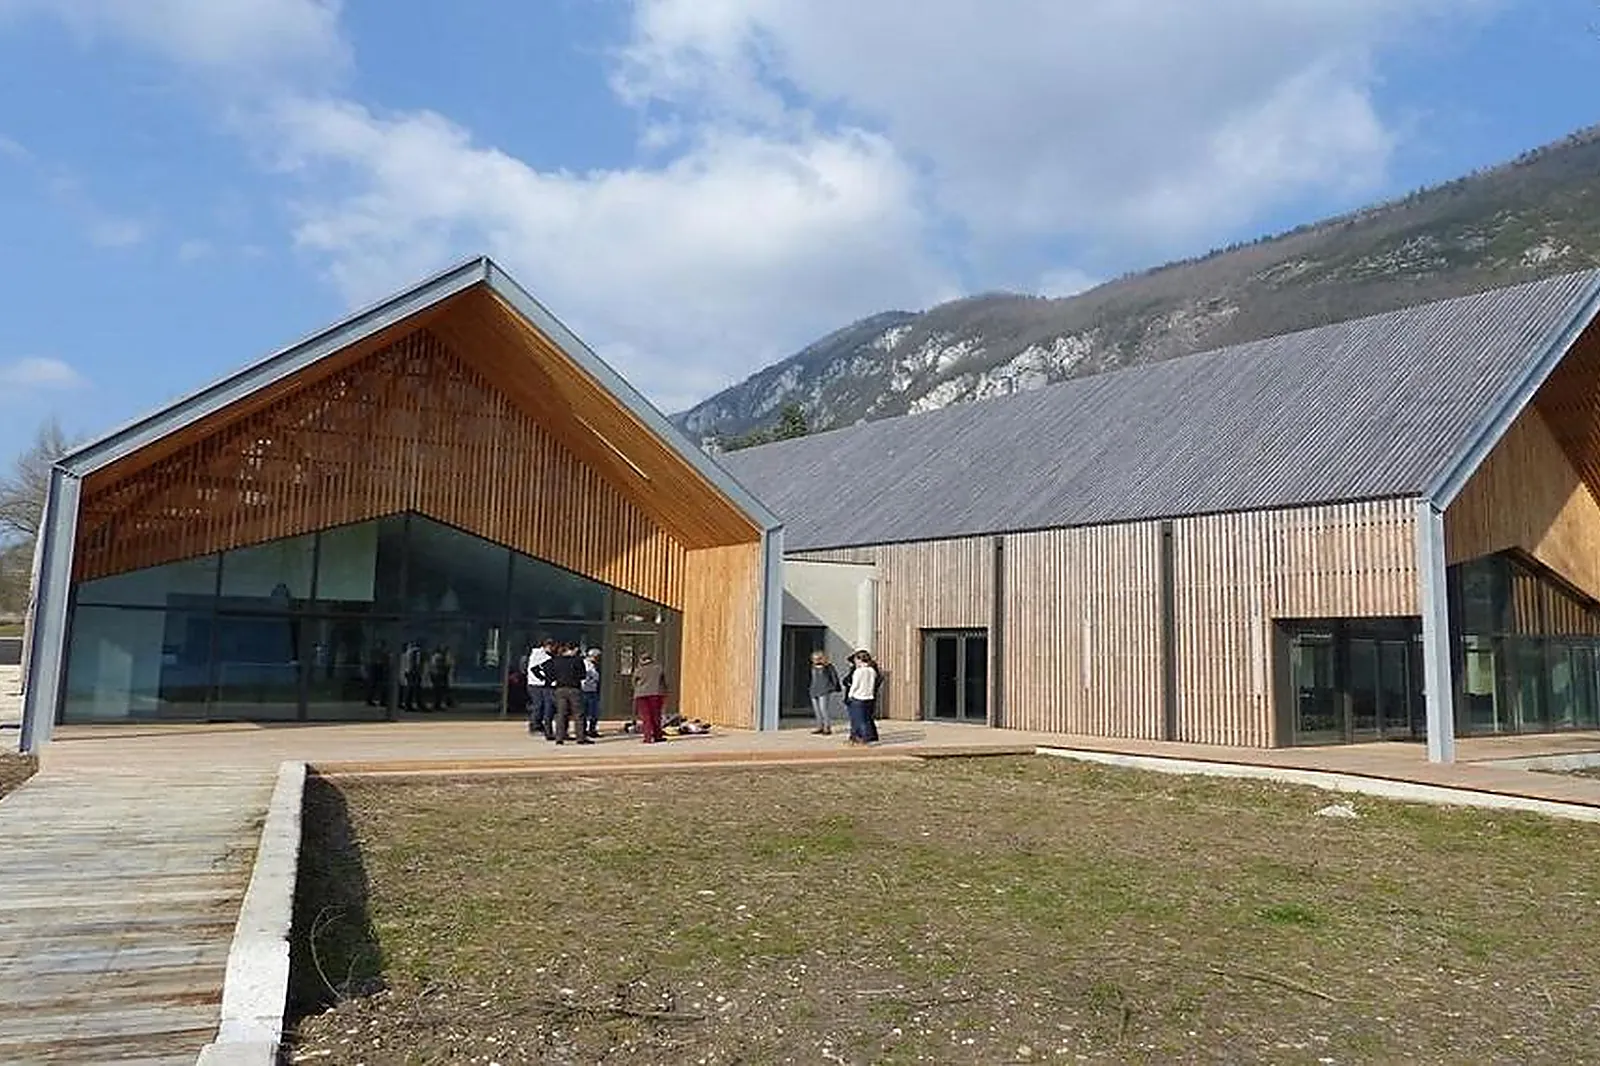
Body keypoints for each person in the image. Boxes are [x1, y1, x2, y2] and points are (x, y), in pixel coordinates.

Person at [543, 642, 591, 745]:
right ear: (573, 650)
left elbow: (550, 672)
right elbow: (583, 675)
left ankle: (559, 737)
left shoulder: (557, 660)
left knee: (561, 714)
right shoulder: (577, 660)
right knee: (578, 714)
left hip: (560, 689)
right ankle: (580, 737)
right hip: (574, 689)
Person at [841, 650, 882, 745]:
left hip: (858, 697)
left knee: (859, 720)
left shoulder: (858, 671)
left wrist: (850, 695)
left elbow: (855, 685)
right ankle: (862, 738)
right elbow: (873, 683)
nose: (855, 662)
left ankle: (864, 738)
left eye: (856, 659)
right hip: (869, 697)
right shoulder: (872, 671)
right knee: (867, 719)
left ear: (860, 659)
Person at [632, 652, 669, 743]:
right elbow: (663, 681)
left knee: (646, 717)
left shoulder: (638, 670)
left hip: (641, 695)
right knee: (656, 716)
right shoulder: (658, 668)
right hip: (656, 694)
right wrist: (664, 691)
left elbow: (633, 682)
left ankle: (647, 737)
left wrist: (637, 690)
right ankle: (657, 736)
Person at [527, 638, 557, 737]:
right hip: (536, 684)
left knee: (544, 705)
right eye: (552, 647)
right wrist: (544, 679)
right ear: (547, 646)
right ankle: (534, 726)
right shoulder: (538, 655)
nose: (553, 649)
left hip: (541, 684)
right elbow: (534, 669)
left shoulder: (546, 655)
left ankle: (539, 725)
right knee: (538, 705)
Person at [808, 650, 841, 735]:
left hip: (824, 690)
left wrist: (834, 687)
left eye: (817, 658)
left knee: (823, 709)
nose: (815, 660)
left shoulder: (828, 667)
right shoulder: (813, 667)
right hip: (814, 690)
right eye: (814, 658)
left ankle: (827, 727)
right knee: (817, 710)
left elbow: (834, 677)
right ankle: (819, 726)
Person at [580, 647, 603, 739]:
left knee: (594, 712)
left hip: (593, 690)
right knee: (584, 712)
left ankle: (592, 729)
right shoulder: (585, 664)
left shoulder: (594, 665)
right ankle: (583, 730)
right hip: (585, 690)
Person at [400, 641, 425, 712]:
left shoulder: (409, 652)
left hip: (409, 671)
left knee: (410, 689)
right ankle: (412, 704)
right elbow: (415, 663)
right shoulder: (415, 652)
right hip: (413, 672)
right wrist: (417, 671)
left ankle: (408, 705)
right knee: (414, 689)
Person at [364, 640, 390, 708]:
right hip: (376, 668)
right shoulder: (376, 652)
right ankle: (370, 699)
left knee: (381, 686)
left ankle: (382, 700)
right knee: (374, 685)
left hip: (379, 669)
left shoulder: (384, 653)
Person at [428, 645, 454, 711]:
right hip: (438, 675)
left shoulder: (434, 656)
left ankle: (437, 704)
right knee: (438, 691)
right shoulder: (439, 656)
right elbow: (440, 666)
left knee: (438, 691)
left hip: (436, 674)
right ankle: (437, 705)